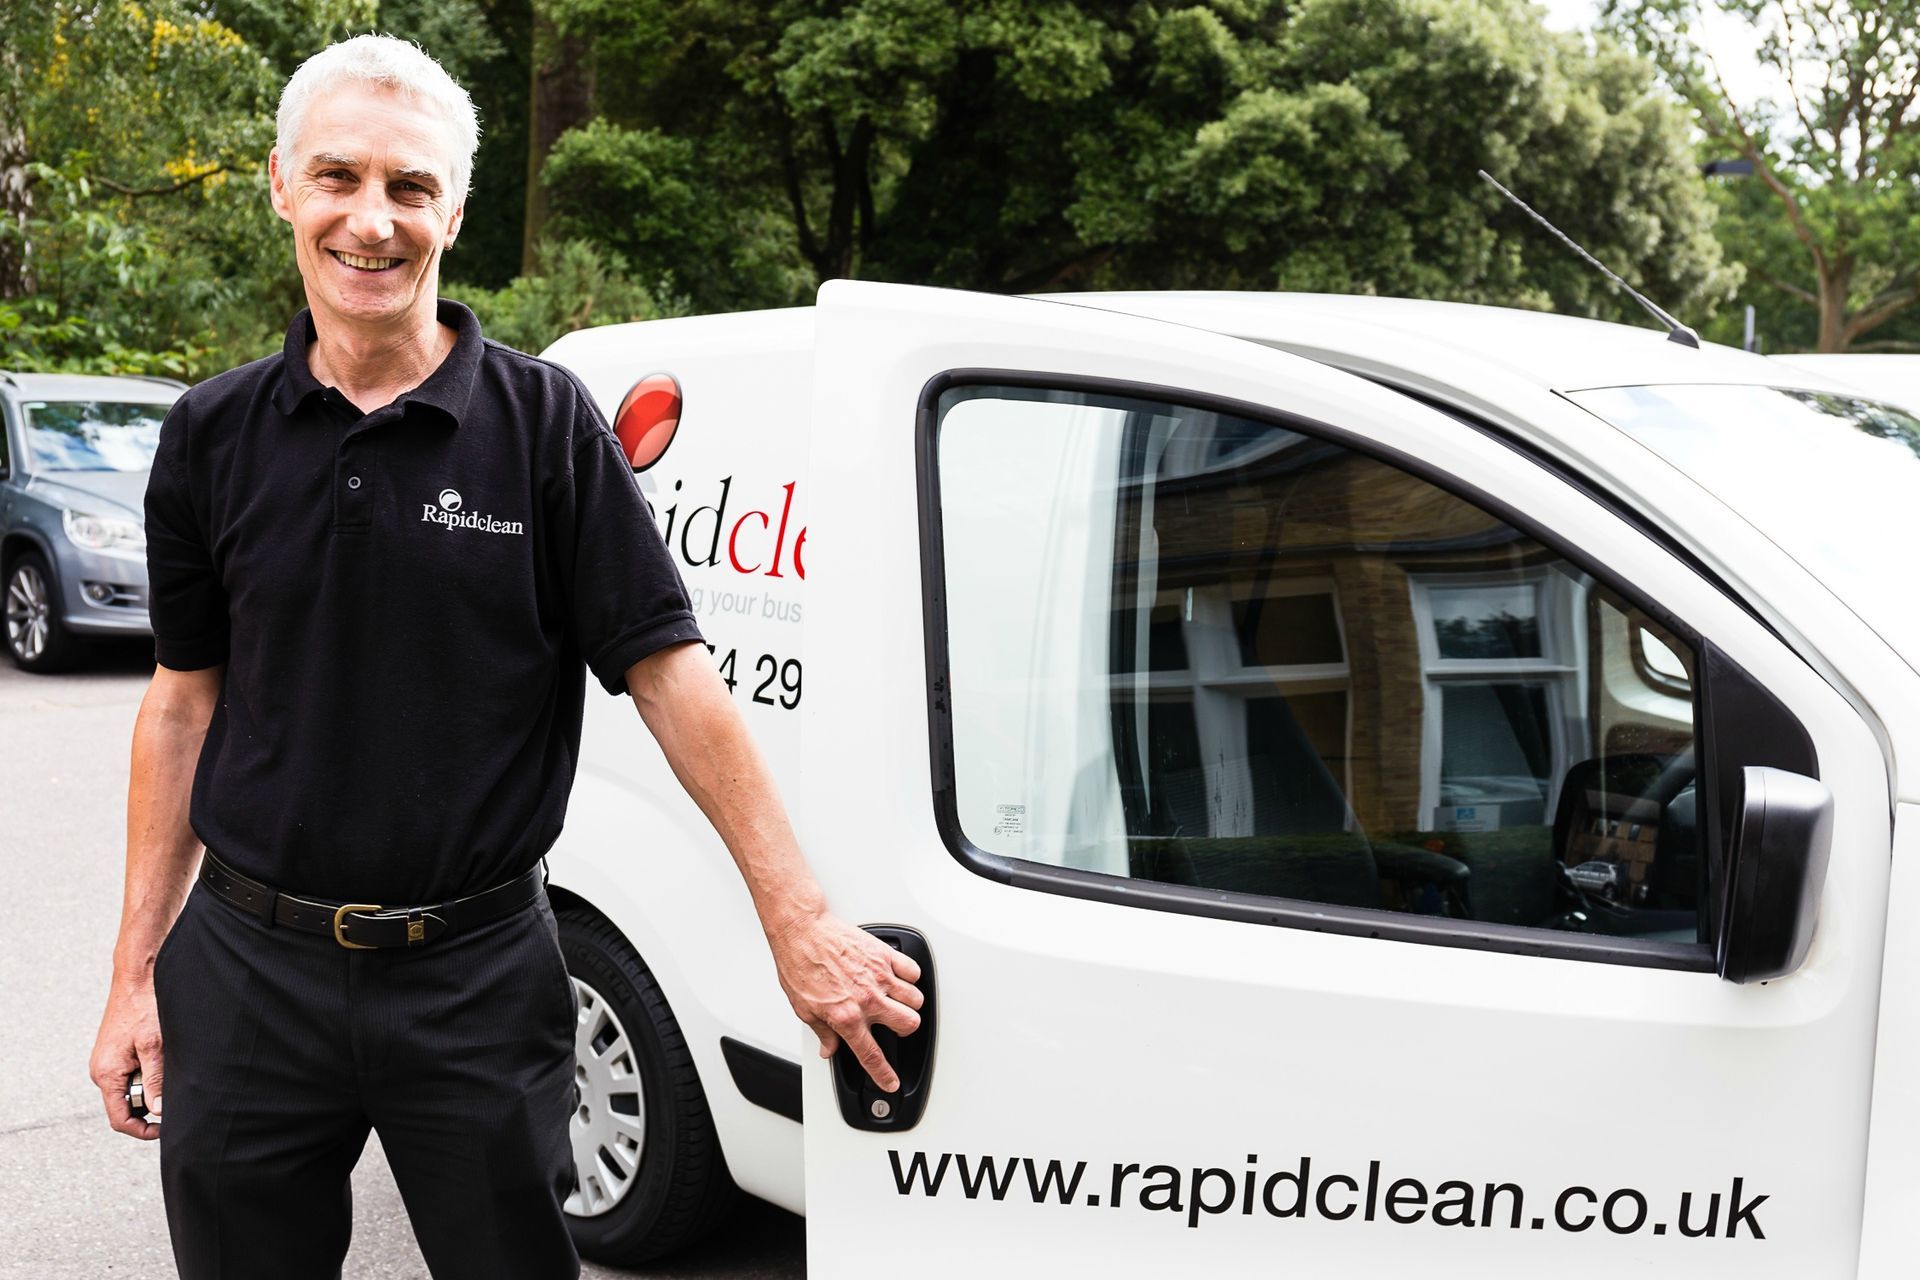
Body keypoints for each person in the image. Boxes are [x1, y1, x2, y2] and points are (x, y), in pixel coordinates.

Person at [86, 34, 922, 1280]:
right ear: (280, 185)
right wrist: (135, 974)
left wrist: (795, 920)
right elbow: (181, 706)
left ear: (455, 210)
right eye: (339, 178)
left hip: (476, 975)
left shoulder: (545, 429)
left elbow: (674, 678)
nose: (372, 220)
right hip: (249, 966)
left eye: (410, 188)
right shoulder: (211, 434)